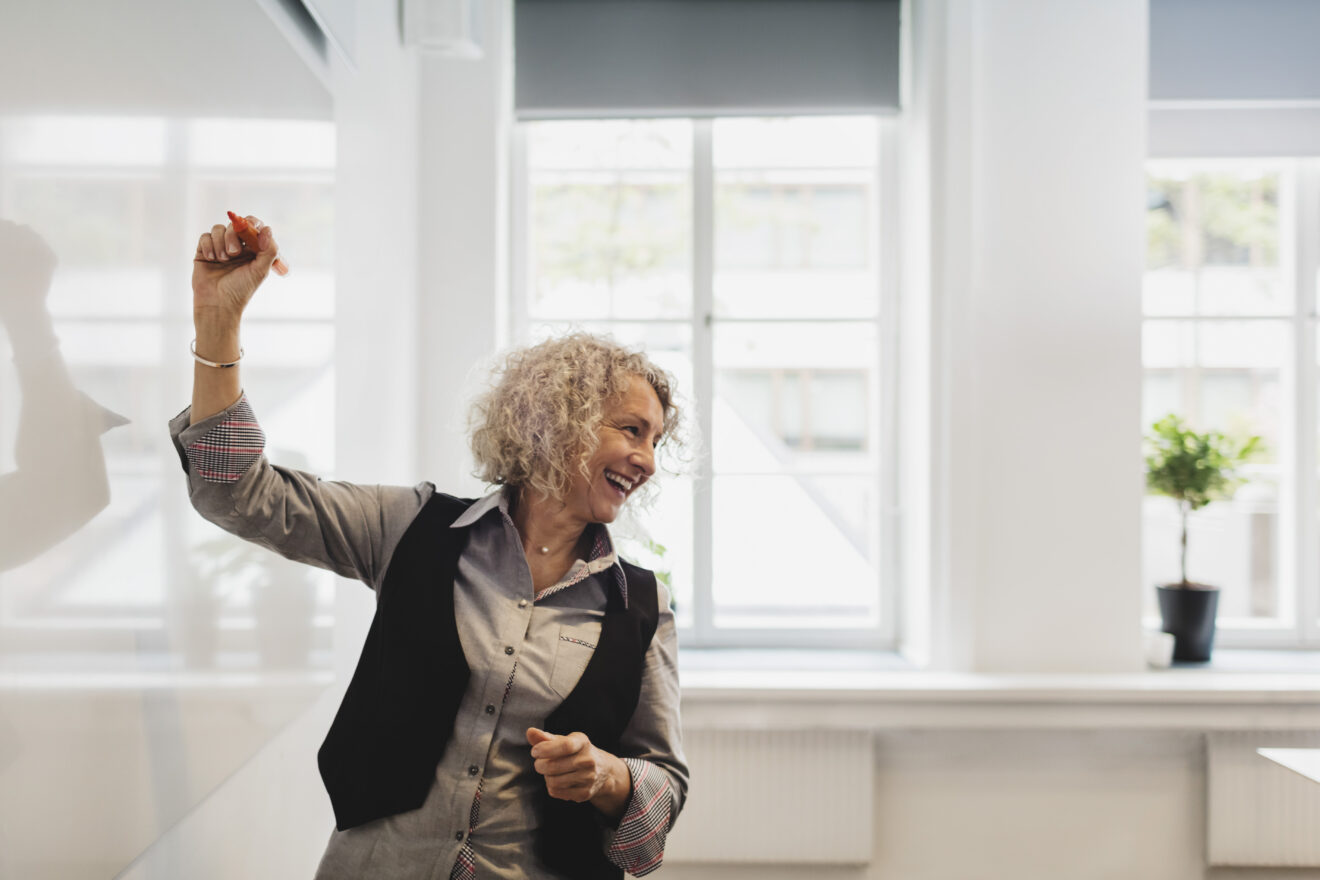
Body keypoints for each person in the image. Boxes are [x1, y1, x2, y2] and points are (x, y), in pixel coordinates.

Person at [169, 216, 688, 879]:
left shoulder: (642, 606)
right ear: (560, 422)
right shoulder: (411, 527)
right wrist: (218, 323)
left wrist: (612, 777)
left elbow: (663, 785)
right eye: (632, 430)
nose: (646, 459)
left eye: (656, 442)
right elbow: (235, 492)